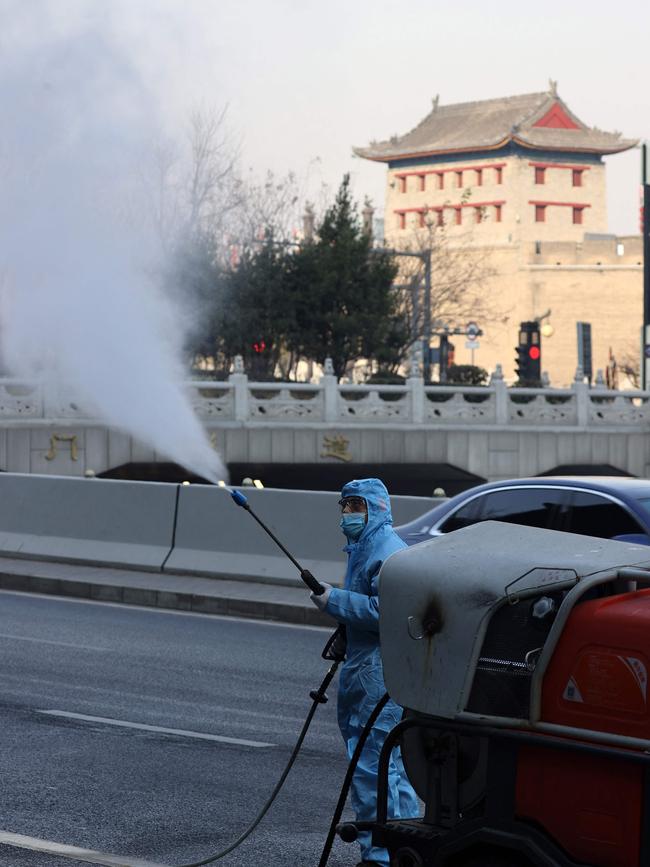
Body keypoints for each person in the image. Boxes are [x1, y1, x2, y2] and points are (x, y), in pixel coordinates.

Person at [310, 477, 419, 867]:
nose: (347, 514)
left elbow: (384, 612)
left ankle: (380, 855)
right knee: (390, 766)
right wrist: (345, 630)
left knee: (373, 766)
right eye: (344, 506)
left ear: (376, 508)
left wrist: (334, 601)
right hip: (368, 669)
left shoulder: (386, 551)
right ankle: (409, 848)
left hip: (376, 676)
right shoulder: (364, 548)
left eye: (355, 505)